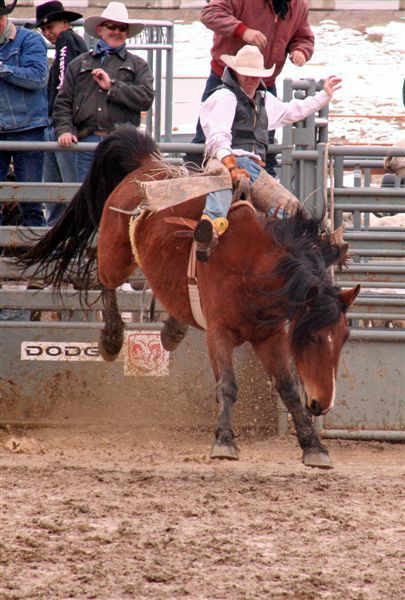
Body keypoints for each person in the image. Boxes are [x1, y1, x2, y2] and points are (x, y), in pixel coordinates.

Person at [193, 45, 341, 262]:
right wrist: (232, 165)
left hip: (252, 167)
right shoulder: (224, 97)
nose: (252, 79)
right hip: (223, 159)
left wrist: (323, 96)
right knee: (221, 182)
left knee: (291, 209)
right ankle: (209, 231)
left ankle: (303, 250)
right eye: (247, 74)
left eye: (256, 75)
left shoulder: (264, 100)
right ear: (236, 72)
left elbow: (293, 111)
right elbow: (218, 137)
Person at [185, 0, 315, 176]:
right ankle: (197, 186)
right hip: (227, 79)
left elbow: (303, 37)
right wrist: (242, 31)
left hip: (262, 84)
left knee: (262, 144)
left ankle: (260, 187)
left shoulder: (298, 5)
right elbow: (210, 13)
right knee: (208, 140)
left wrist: (300, 49)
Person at [53, 1, 154, 182]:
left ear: (127, 33)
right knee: (86, 200)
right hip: (85, 141)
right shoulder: (78, 64)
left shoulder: (138, 65)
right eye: (112, 26)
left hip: (122, 145)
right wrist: (65, 131)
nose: (117, 31)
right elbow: (63, 102)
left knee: (120, 202)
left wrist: (112, 87)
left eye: (122, 28)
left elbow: (146, 98)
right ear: (100, 30)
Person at [32, 0, 87, 226]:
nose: (47, 33)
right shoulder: (76, 42)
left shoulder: (66, 41)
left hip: (61, 124)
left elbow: (64, 84)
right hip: (64, 122)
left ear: (64, 23)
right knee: (60, 188)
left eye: (50, 27)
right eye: (44, 29)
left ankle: (63, 236)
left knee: (61, 189)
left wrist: (62, 119)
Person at [0, 0, 48, 227]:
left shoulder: (30, 39)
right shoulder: (29, 39)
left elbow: (38, 78)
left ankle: (33, 257)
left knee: (30, 200)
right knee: (29, 198)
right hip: (19, 128)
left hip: (28, 129)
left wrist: (2, 68)